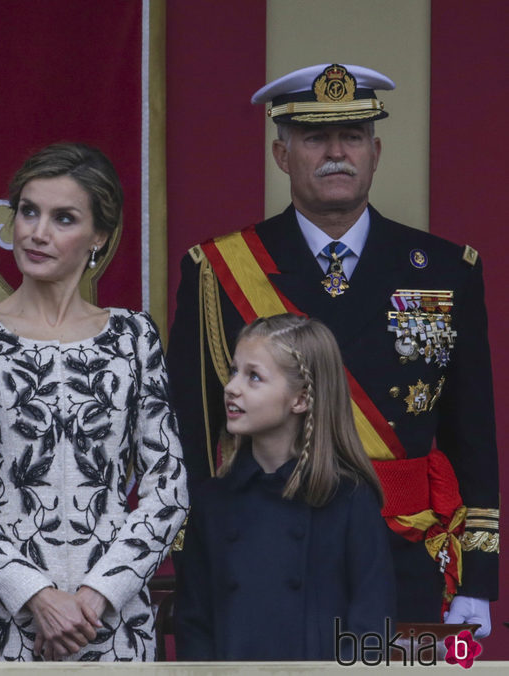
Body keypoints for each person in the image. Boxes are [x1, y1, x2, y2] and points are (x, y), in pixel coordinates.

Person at [168, 64, 498, 634]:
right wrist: (198, 560)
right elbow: (193, 435)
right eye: (315, 138)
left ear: (375, 151)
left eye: (352, 137)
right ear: (281, 154)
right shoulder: (219, 271)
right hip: (267, 549)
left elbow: (473, 432)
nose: (335, 153)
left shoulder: (447, 269)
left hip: (407, 550)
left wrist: (480, 574)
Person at [0, 143, 189, 661]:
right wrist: (36, 595)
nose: (36, 232)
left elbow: (169, 492)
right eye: (28, 211)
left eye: (62, 218)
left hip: (111, 622)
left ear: (100, 236)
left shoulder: (133, 337)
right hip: (1, 616)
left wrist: (99, 594)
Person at [174, 314, 395, 660]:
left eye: (254, 377)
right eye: (234, 371)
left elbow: (371, 627)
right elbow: (194, 625)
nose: (232, 387)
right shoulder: (212, 502)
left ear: (301, 399)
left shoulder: (349, 499)